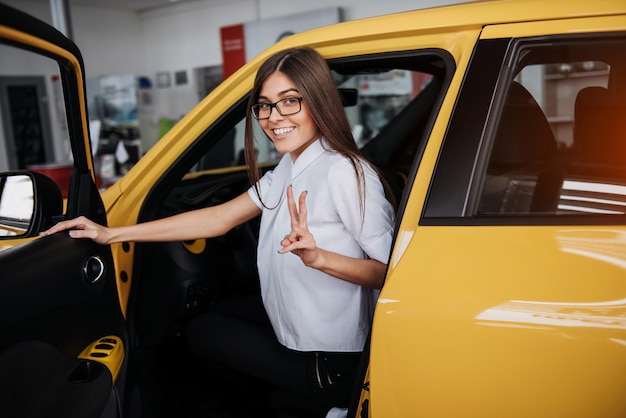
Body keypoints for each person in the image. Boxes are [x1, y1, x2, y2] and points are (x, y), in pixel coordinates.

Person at [43, 47, 395, 417]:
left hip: (334, 362)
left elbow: (389, 273)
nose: (274, 118)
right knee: (220, 314)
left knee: (202, 332)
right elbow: (218, 219)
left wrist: (319, 258)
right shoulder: (289, 168)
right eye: (264, 105)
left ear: (319, 101)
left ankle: (288, 402)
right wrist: (111, 234)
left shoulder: (344, 171)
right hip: (298, 329)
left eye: (290, 102)